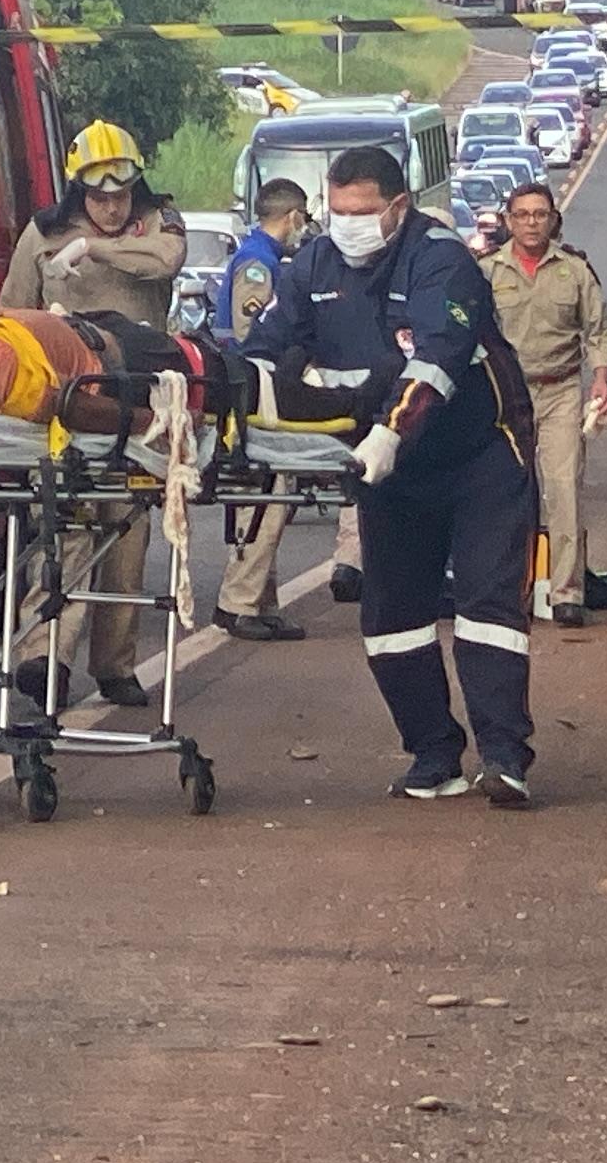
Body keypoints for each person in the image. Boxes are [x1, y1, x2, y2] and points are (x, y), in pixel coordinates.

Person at [242, 144, 544, 805]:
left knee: (486, 605)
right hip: (389, 471)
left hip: (479, 456)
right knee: (391, 614)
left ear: (398, 207)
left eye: (364, 211)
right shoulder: (314, 266)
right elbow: (266, 350)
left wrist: (391, 430)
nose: (348, 222)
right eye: (338, 210)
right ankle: (434, 754)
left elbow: (439, 356)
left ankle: (503, 753)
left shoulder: (441, 259)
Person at [0, 120, 186, 709]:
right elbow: (11, 310)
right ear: (79, 189)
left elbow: (166, 262)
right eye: (99, 195)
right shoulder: (45, 232)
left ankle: (116, 665)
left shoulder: (157, 222)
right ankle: (42, 658)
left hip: (140, 400)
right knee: (69, 528)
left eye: (120, 194)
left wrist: (94, 249)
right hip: (72, 402)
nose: (110, 205)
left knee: (127, 537)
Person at [485, 180, 607, 628]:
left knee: (563, 492)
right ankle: (505, 590)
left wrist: (600, 382)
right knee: (503, 495)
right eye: (522, 215)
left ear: (553, 219)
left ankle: (567, 593)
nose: (532, 222)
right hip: (507, 396)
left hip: (559, 392)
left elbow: (596, 333)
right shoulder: (488, 273)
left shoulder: (574, 271)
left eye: (540, 214)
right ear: (508, 221)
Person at [214, 180, 311, 642]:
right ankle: (237, 602)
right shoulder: (258, 264)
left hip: (257, 384)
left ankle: (261, 600)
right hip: (254, 387)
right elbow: (251, 332)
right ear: (292, 216)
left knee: (275, 493)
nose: (304, 229)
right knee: (269, 492)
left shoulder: (265, 256)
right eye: (304, 219)